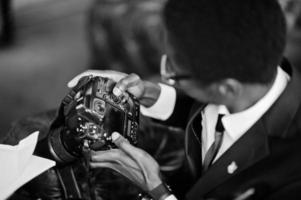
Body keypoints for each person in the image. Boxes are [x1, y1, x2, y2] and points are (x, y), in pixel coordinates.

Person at [68, 0, 301, 199]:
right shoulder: (252, 71)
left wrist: (157, 188)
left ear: (227, 88)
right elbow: (204, 109)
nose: (167, 76)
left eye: (174, 73)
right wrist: (150, 94)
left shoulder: (291, 175)